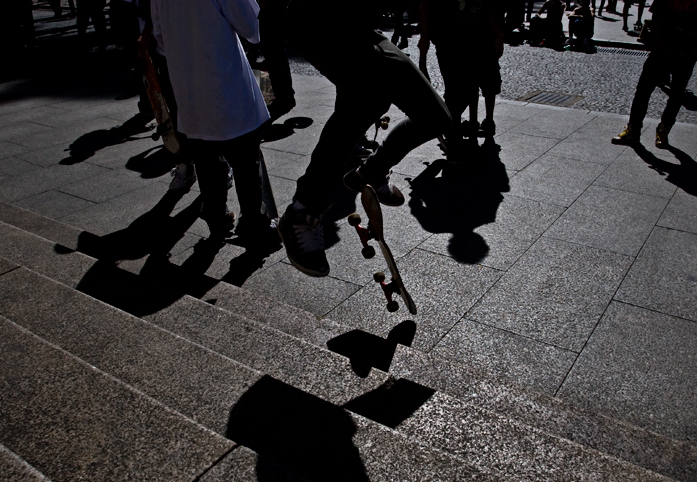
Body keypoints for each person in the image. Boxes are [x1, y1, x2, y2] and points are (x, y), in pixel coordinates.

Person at [262, 1, 452, 277]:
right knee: (364, 100)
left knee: (436, 117)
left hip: (363, 30)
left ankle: (371, 172)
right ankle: (302, 212)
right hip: (316, 22)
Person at [151, 0, 275, 241]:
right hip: (225, 87)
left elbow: (161, 40)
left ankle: (216, 217)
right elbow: (253, 28)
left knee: (206, 160)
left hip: (189, 91)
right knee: (246, 162)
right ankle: (253, 221)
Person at [612, 0, 697, 148]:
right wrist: (659, 41)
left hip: (686, 49)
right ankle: (636, 130)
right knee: (645, 89)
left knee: (675, 93)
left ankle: (661, 130)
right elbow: (655, 14)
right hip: (665, 47)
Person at [420, 0, 504, 139]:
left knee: (468, 88)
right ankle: (455, 132)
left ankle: (457, 131)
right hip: (449, 40)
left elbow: (489, 6)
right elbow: (427, 5)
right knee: (456, 91)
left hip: (473, 38)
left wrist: (497, 33)